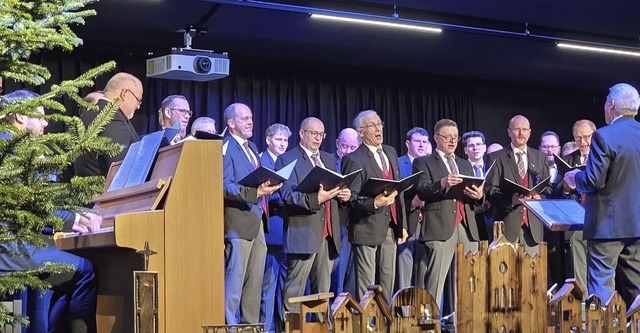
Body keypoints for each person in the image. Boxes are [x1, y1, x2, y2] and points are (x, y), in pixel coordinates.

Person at [0, 89, 101, 333]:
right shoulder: (11, 149)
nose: (46, 123)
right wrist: (73, 219)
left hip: (15, 245)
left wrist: (69, 218)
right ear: (21, 117)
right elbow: (30, 203)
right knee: (86, 271)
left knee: (57, 277)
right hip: (11, 251)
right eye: (41, 116)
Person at [565, 83, 640, 307]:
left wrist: (575, 178)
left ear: (611, 105)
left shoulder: (603, 136)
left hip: (607, 226)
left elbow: (594, 180)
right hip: (637, 226)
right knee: (636, 290)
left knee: (601, 291)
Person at [276, 117, 349, 316]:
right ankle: (291, 329)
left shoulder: (327, 159)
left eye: (321, 134)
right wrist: (316, 198)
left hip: (328, 234)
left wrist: (344, 196)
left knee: (323, 293)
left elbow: (335, 189)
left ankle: (321, 328)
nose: (318, 138)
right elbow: (288, 196)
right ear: (302, 133)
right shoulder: (287, 159)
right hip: (303, 233)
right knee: (294, 290)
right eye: (313, 133)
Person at [412, 119, 484, 309]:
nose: (452, 141)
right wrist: (442, 183)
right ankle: (430, 320)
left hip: (467, 227)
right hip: (440, 226)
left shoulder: (464, 164)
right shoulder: (423, 162)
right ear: (436, 138)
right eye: (447, 137)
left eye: (455, 137)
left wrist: (479, 196)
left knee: (469, 279)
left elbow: (474, 195)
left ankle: (462, 321)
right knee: (435, 280)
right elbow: (421, 190)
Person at [222, 103, 281, 325]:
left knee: (254, 283)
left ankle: (250, 327)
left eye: (251, 118)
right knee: (235, 282)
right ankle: (229, 326)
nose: (250, 122)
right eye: (244, 118)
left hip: (257, 223)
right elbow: (224, 185)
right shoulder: (226, 147)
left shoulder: (251, 147)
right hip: (238, 225)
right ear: (231, 123)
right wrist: (255, 192)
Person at [341, 110, 407, 304]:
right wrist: (374, 203)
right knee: (366, 286)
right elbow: (350, 199)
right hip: (366, 228)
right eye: (372, 125)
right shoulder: (353, 159)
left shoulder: (391, 152)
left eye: (379, 124)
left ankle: (384, 322)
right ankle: (366, 325)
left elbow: (398, 190)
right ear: (360, 132)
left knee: (387, 280)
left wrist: (401, 224)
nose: (378, 128)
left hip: (390, 227)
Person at [485, 115, 550, 254]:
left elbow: (548, 188)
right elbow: (490, 190)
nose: (521, 133)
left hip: (533, 228)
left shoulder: (540, 157)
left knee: (533, 274)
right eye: (517, 129)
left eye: (524, 129)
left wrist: (541, 199)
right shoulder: (496, 157)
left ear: (530, 132)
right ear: (509, 132)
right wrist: (510, 201)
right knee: (506, 274)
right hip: (507, 226)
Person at [74, 72, 142, 178]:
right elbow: (120, 169)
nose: (138, 107)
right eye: (138, 100)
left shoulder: (86, 116)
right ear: (124, 93)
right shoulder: (113, 118)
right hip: (105, 192)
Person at [557, 119, 596, 292]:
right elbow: (557, 191)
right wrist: (566, 187)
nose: (583, 142)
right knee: (578, 267)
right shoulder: (567, 160)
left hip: (600, 218)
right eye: (578, 138)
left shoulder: (604, 157)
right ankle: (584, 304)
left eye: (587, 137)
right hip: (577, 221)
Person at [259, 123, 290, 333]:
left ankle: (283, 327)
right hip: (270, 231)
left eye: (286, 140)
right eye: (279, 140)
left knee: (284, 286)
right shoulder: (262, 160)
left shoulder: (288, 162)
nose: (282, 144)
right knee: (268, 286)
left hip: (287, 230)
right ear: (269, 140)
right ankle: (267, 328)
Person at [396, 127, 430, 292]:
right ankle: (404, 311)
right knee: (405, 268)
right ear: (408, 143)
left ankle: (421, 309)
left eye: (425, 142)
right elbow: (397, 194)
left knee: (423, 269)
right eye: (418, 141)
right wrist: (412, 203)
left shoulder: (432, 164)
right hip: (407, 222)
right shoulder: (398, 163)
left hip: (428, 224)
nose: (421, 145)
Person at [330, 127, 360, 298]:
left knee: (352, 274)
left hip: (355, 224)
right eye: (344, 147)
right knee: (337, 272)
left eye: (352, 148)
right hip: (336, 223)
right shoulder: (329, 161)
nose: (348, 152)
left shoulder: (358, 163)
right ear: (337, 144)